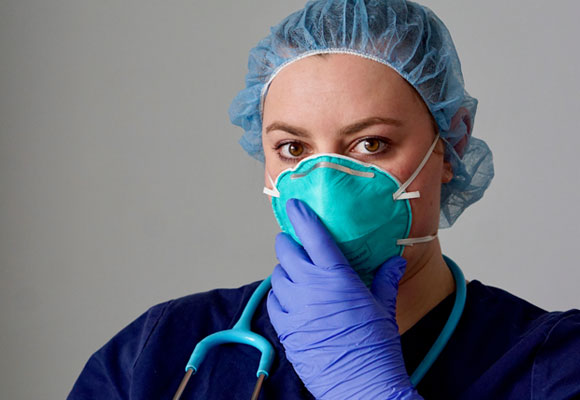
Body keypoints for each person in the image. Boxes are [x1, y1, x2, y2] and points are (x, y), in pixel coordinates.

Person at [68, 0, 580, 399]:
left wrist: (372, 393)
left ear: (451, 145)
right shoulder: (158, 349)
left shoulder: (553, 363)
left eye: (370, 144)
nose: (323, 182)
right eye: (293, 149)